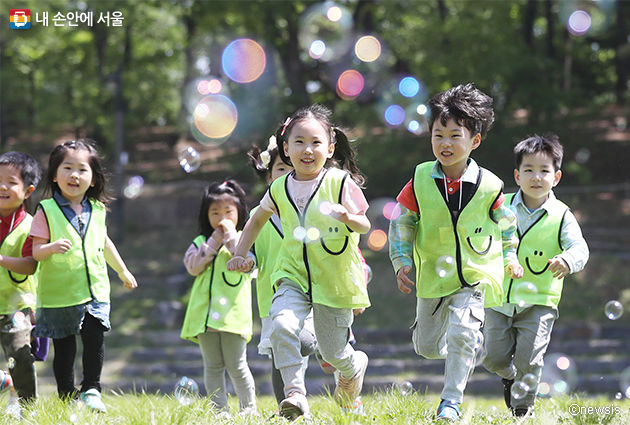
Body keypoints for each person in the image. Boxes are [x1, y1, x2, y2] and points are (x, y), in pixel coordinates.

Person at [388, 83, 523, 422]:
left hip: (474, 274)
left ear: (474, 141)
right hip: (434, 274)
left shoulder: (491, 186)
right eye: (438, 135)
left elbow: (507, 226)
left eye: (454, 136)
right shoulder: (419, 179)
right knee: (427, 347)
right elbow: (403, 223)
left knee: (463, 331)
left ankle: (451, 401)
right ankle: (460, 348)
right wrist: (402, 261)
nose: (445, 144)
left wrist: (510, 257)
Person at [228, 104, 371, 420]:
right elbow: (254, 221)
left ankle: (353, 365)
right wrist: (240, 253)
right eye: (299, 142)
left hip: (333, 280)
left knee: (334, 352)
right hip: (291, 275)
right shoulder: (280, 188)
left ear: (330, 147)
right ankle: (295, 393)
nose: (308, 149)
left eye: (316, 142)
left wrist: (350, 217)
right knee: (281, 324)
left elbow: (365, 225)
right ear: (286, 149)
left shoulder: (339, 182)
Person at [482, 134, 589, 417]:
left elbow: (579, 247)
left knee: (531, 357)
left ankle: (522, 409)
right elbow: (489, 240)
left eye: (544, 170)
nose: (536, 177)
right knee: (492, 357)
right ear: (517, 176)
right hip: (498, 298)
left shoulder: (562, 215)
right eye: (528, 169)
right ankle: (510, 376)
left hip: (540, 300)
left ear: (557, 177)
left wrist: (568, 259)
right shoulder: (502, 208)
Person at [30, 139, 137, 413]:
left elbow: (105, 243)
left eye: (82, 169)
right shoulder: (46, 210)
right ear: (55, 175)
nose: (74, 175)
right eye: (67, 168)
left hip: (95, 292)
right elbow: (36, 251)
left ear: (93, 179)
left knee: (94, 338)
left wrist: (122, 270)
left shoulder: (98, 210)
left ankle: (91, 388)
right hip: (60, 295)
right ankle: (67, 396)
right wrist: (51, 248)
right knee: (64, 351)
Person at [247, 139, 320, 406]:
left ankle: (322, 346)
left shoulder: (310, 211)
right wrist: (248, 261)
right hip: (271, 298)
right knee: (280, 358)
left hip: (308, 293)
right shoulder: (258, 214)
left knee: (301, 344)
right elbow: (253, 252)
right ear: (269, 177)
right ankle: (288, 408)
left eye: (292, 168)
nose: (287, 174)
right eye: (280, 169)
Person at [180, 180, 257, 417]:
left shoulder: (246, 239)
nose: (221, 217)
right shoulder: (201, 243)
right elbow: (193, 266)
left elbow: (244, 261)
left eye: (228, 211)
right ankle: (219, 412)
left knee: (237, 365)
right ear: (206, 215)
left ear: (239, 212)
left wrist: (232, 236)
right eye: (215, 212)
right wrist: (213, 241)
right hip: (204, 316)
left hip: (233, 315)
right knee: (212, 367)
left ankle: (248, 410)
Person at [0, 152, 41, 415]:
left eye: (10, 182)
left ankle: (28, 409)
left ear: (28, 191)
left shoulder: (30, 225)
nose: (2, 187)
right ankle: (4, 381)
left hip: (17, 305)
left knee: (20, 354)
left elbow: (30, 264)